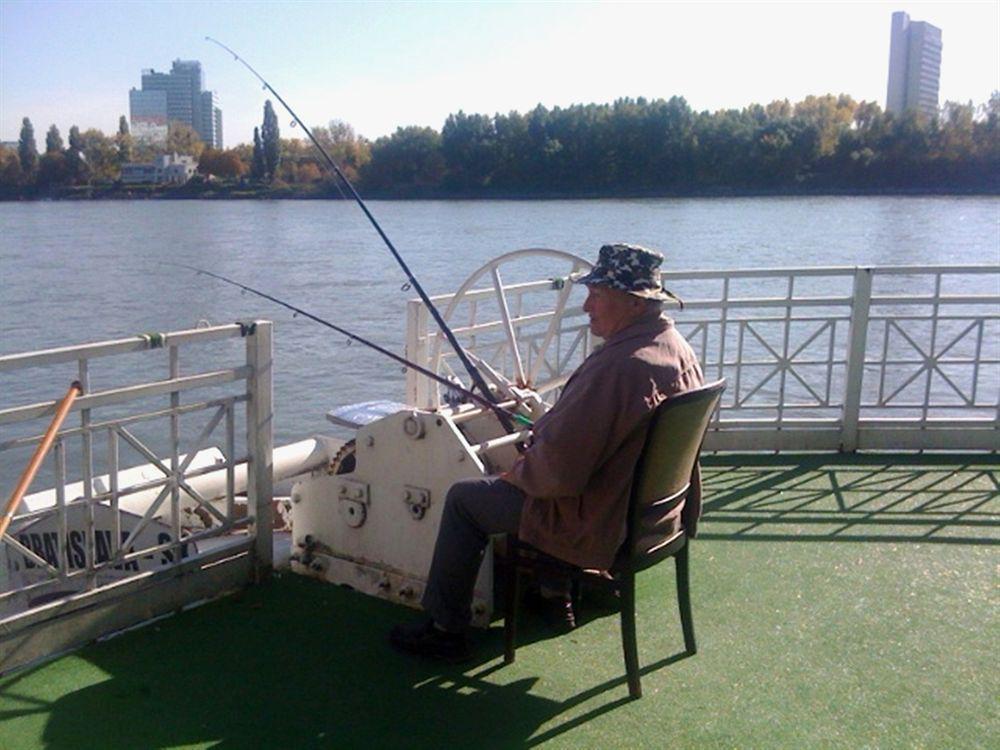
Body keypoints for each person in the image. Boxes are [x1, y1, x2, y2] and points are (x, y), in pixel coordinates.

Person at [390, 243, 705, 662]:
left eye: (597, 294)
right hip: (653, 516)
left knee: (466, 500)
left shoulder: (620, 367)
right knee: (538, 480)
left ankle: (446, 629)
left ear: (632, 301)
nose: (586, 305)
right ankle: (559, 596)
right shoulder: (675, 349)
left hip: (601, 520)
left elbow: (559, 474)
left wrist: (517, 471)